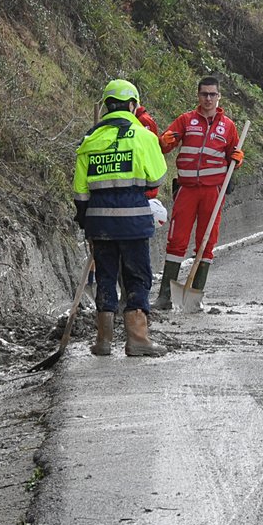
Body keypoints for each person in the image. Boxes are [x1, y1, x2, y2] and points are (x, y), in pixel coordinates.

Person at [74, 78, 170, 357]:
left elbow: (80, 193)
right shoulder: (144, 136)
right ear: (132, 105)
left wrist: (86, 222)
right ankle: (138, 338)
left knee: (105, 277)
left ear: (106, 106)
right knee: (137, 277)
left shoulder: (90, 140)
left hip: (100, 222)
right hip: (133, 222)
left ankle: (103, 340)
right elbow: (157, 177)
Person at [155, 75, 244, 309]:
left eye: (212, 94)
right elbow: (163, 146)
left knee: (206, 241)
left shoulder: (229, 126)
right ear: (198, 95)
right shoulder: (186, 120)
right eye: (204, 94)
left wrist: (238, 158)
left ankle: (196, 293)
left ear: (219, 97)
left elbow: (233, 157)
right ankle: (164, 297)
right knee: (176, 241)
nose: (208, 98)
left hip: (213, 192)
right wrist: (165, 140)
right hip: (186, 189)